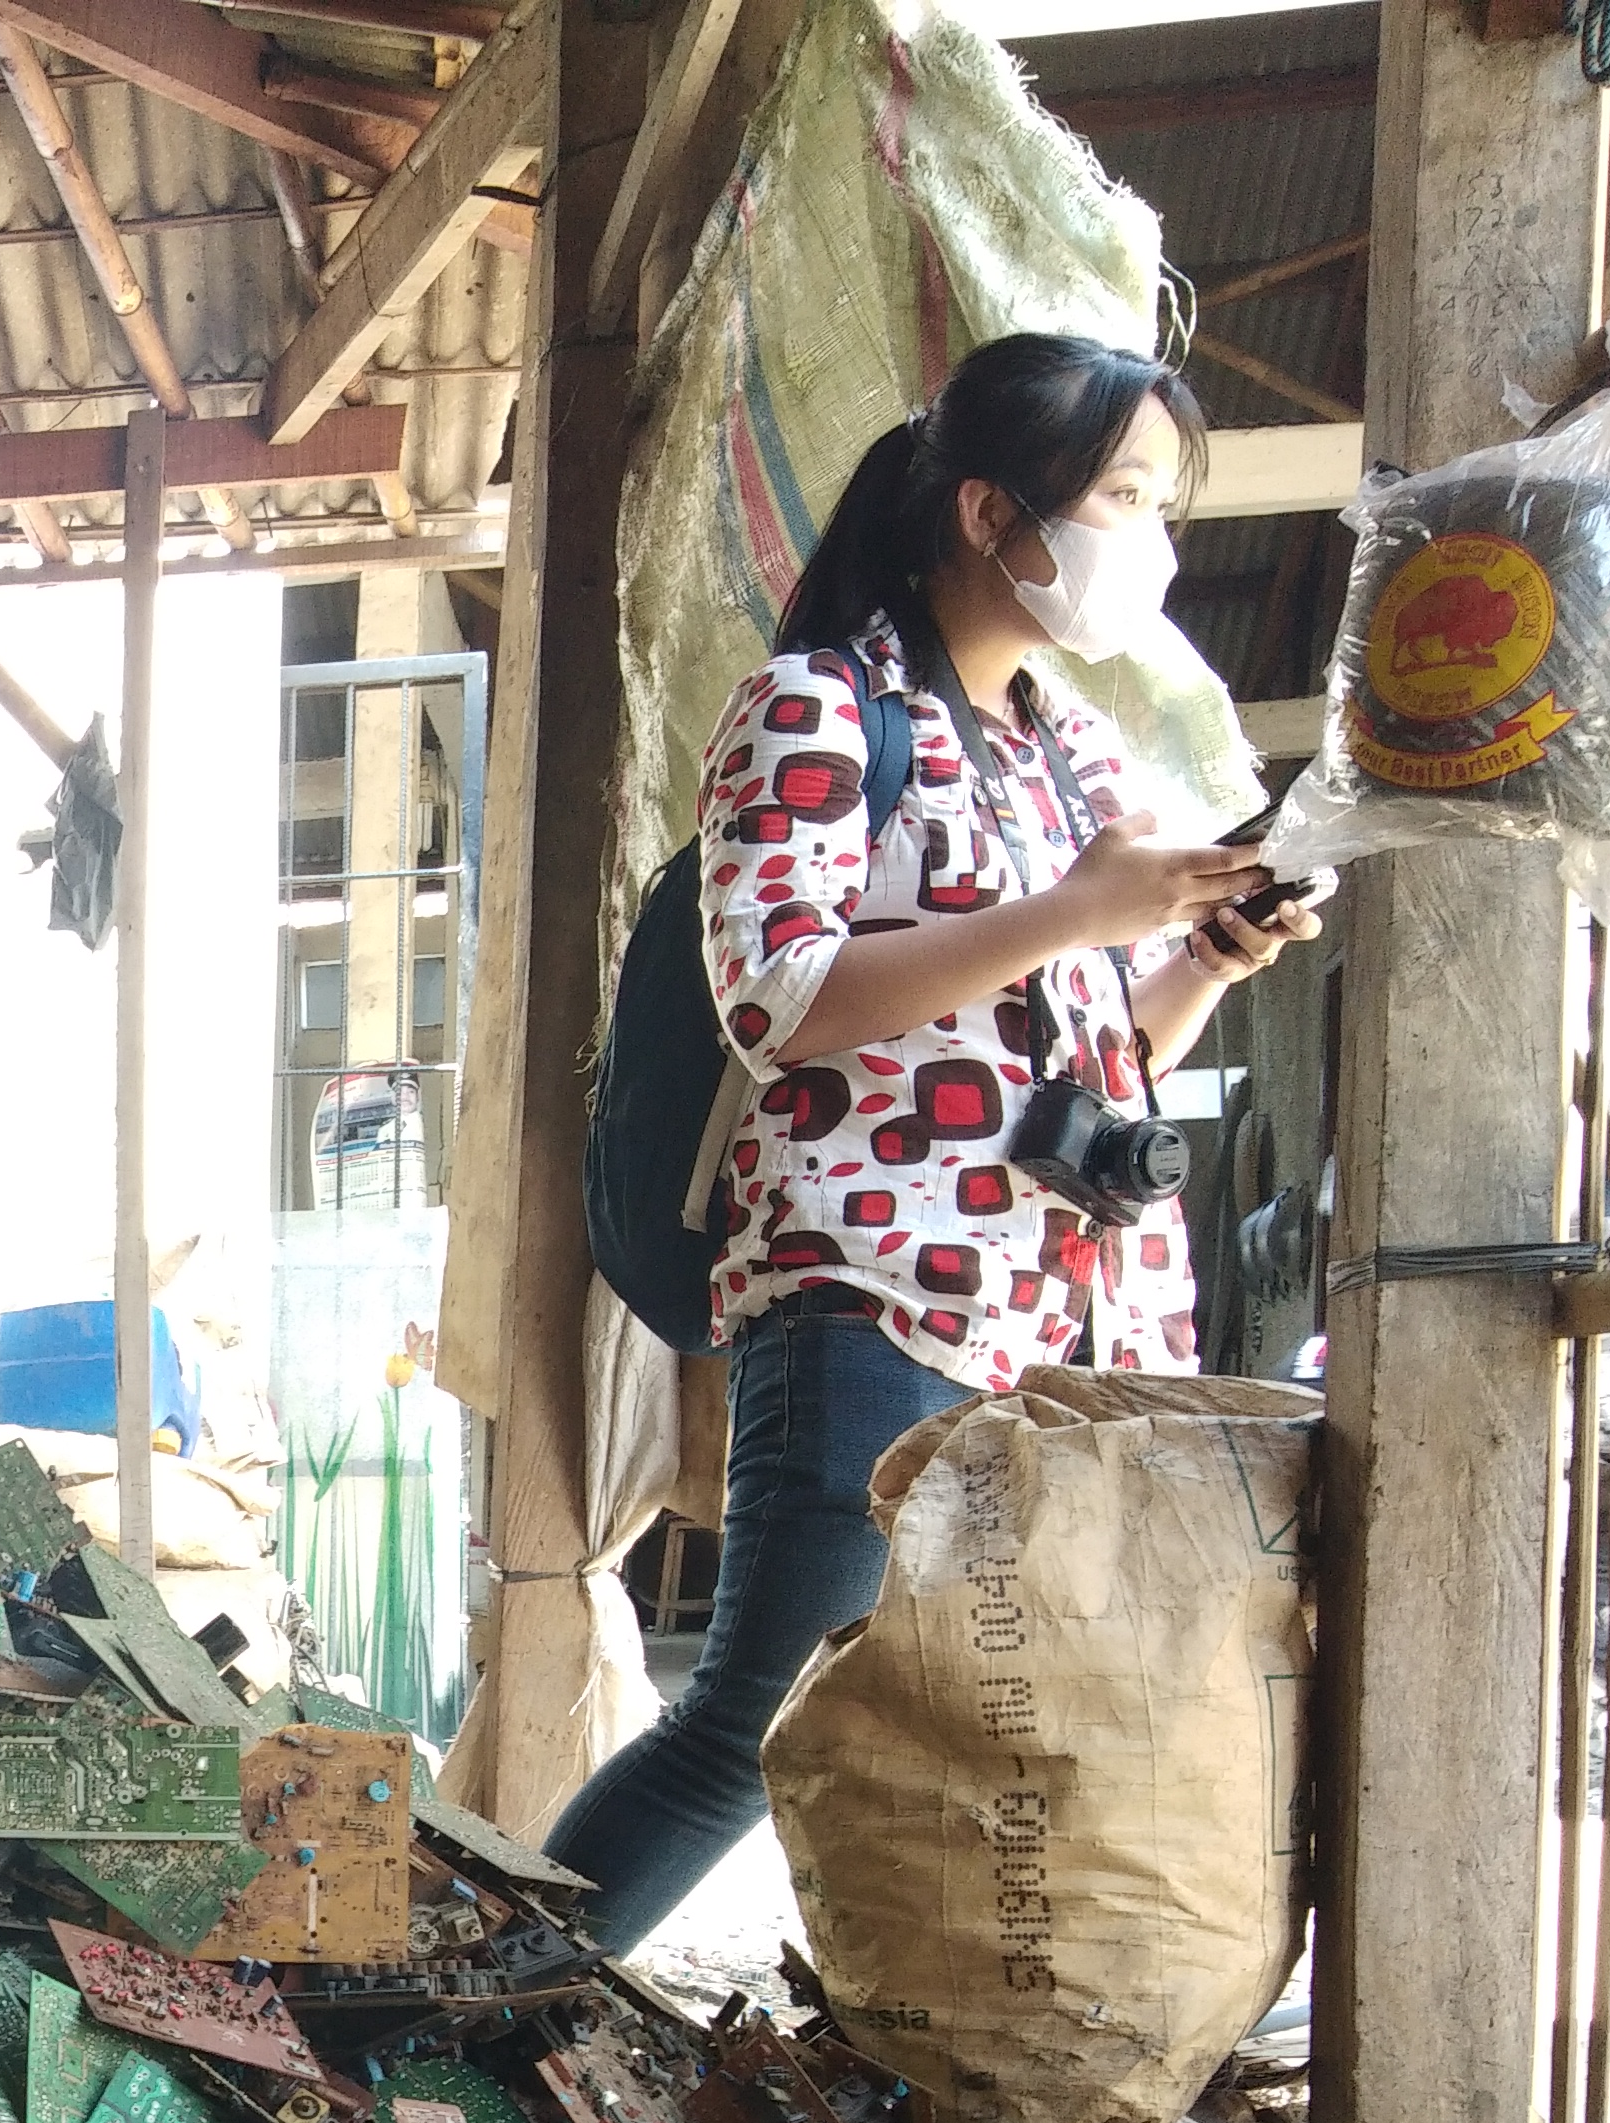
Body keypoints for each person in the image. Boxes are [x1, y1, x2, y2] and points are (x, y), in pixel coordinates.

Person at [537, 333, 1326, 1950]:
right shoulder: (817, 708)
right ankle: (441, 2039)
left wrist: (1187, 958)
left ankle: (911, 2065)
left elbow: (1090, 1068)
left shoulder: (1068, 750)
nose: (1150, 542)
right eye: (1122, 497)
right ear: (988, 509)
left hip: (1053, 1325)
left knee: (974, 1731)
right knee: (752, 1721)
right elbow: (778, 997)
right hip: (875, 1294)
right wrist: (1073, 911)